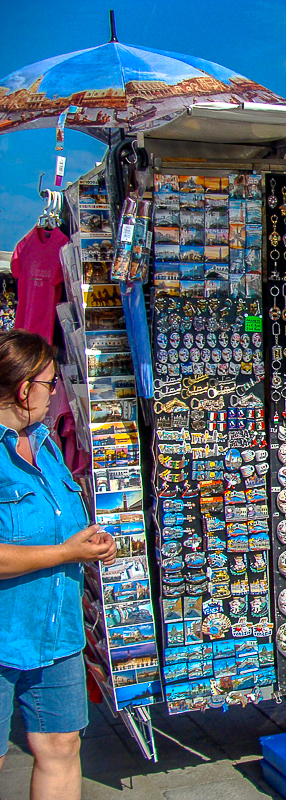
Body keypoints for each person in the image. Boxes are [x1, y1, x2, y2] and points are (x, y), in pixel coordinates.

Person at [0, 329, 116, 800]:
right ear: (25, 388)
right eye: (51, 384)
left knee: (62, 745)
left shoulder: (45, 444)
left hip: (57, 631)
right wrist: (67, 553)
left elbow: (61, 522)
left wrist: (93, 543)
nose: (57, 394)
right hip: (7, 630)